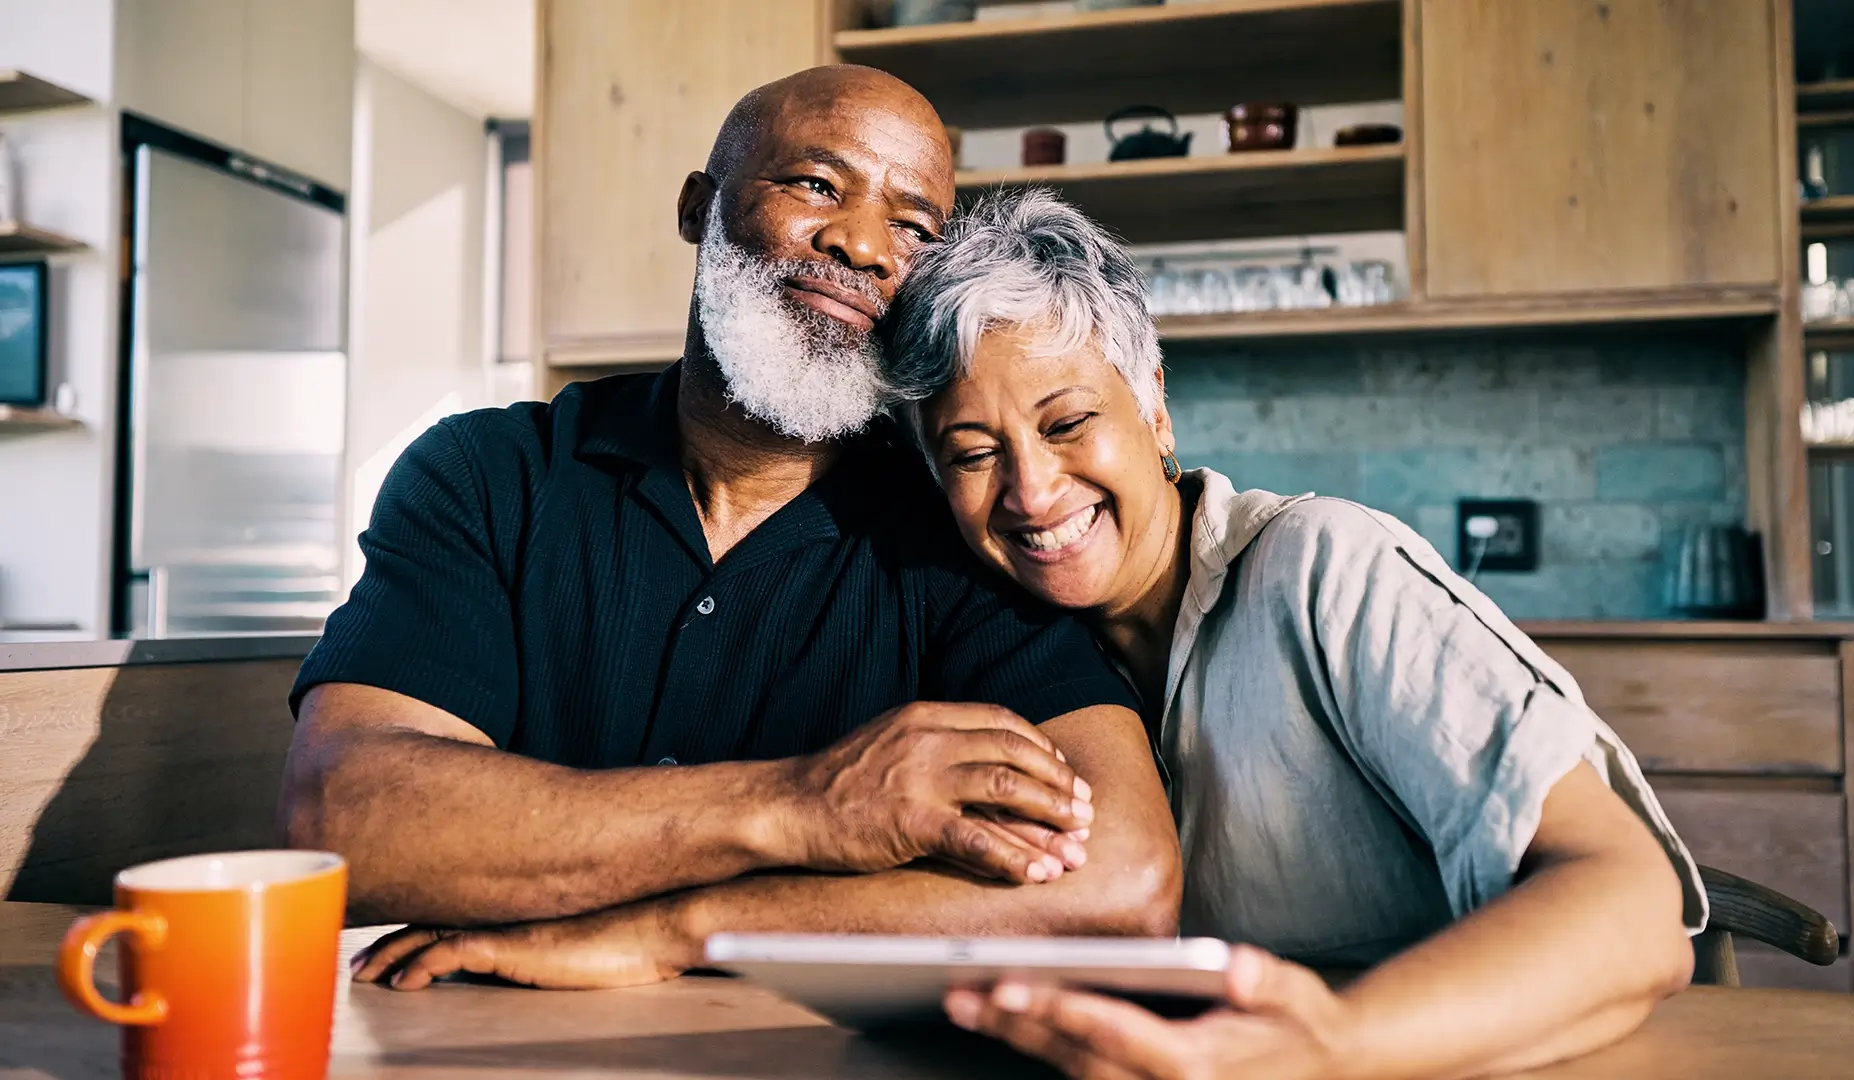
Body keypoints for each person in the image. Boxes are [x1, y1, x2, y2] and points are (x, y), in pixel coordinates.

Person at [279, 69, 1179, 992]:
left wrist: (684, 927)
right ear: (698, 208)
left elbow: (1123, 879)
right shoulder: (488, 475)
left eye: (913, 227)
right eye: (816, 185)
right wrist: (803, 805)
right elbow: (343, 819)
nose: (863, 244)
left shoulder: (957, 526)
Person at [882, 188, 1705, 1079]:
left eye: (1069, 423)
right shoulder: (1004, 658)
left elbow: (1633, 907)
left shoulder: (1323, 569)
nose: (1032, 492)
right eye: (973, 453)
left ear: (1154, 406)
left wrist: (1330, 1046)